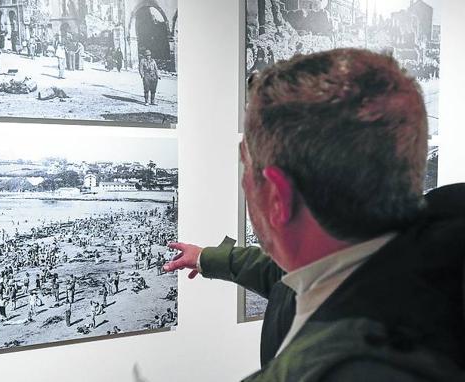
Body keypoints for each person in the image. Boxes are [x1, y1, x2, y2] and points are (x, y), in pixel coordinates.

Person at [164, 49, 465, 380]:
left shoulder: (345, 369)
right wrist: (208, 257)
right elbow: (285, 276)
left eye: (246, 165)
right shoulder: (425, 260)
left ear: (278, 197)